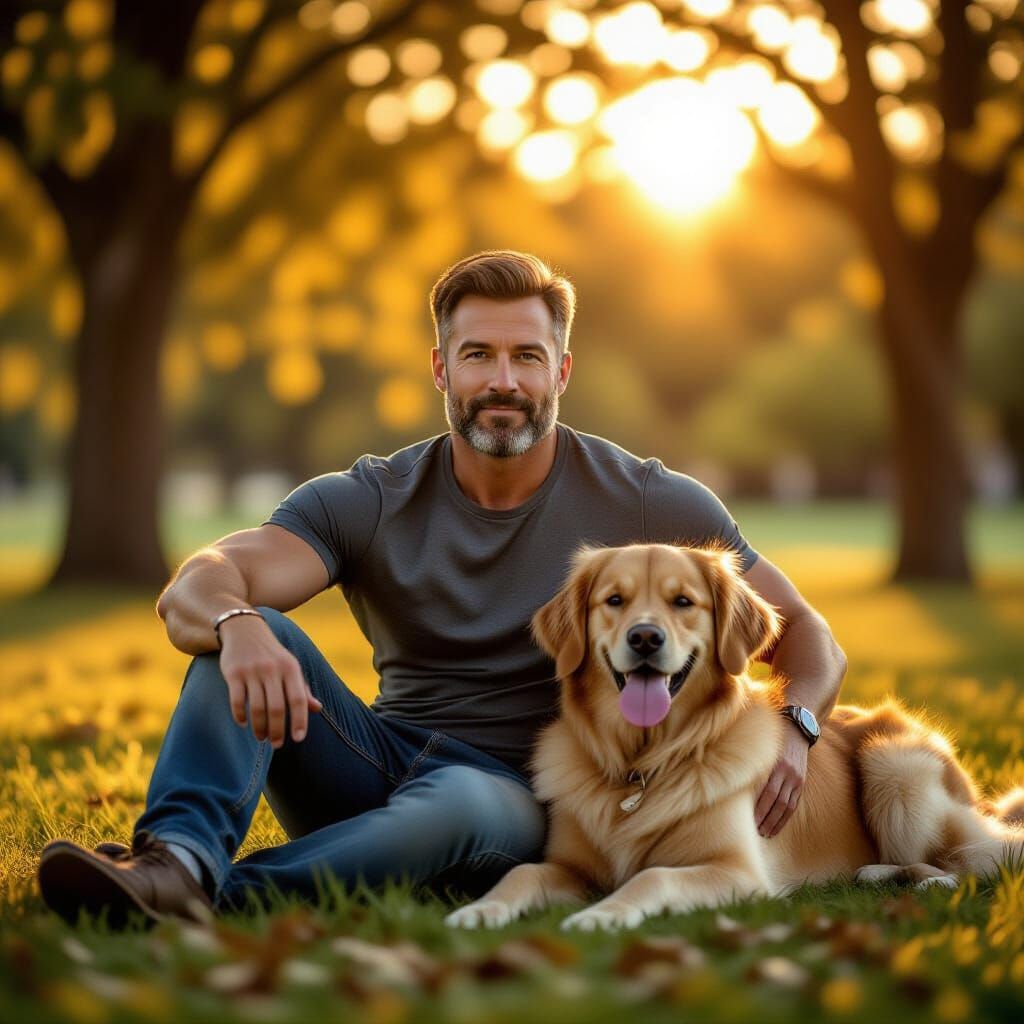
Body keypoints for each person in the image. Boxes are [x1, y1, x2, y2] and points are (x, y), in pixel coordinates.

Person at [37, 250, 846, 926]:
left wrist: (798, 727)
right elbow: (200, 584)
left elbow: (809, 636)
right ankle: (174, 860)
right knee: (248, 633)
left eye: (526, 356)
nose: (504, 380)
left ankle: (211, 898)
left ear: (560, 369)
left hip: (508, 795)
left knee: (458, 800)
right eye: (478, 355)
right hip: (371, 763)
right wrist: (240, 622)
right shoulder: (370, 496)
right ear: (440, 368)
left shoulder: (649, 501)